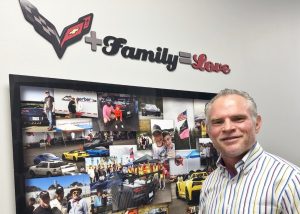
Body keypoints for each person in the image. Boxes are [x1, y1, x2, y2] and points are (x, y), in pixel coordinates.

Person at [198, 89, 300, 213]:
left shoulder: (291, 181)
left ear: (256, 124)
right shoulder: (208, 184)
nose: (228, 128)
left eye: (238, 118)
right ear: (208, 130)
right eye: (218, 122)